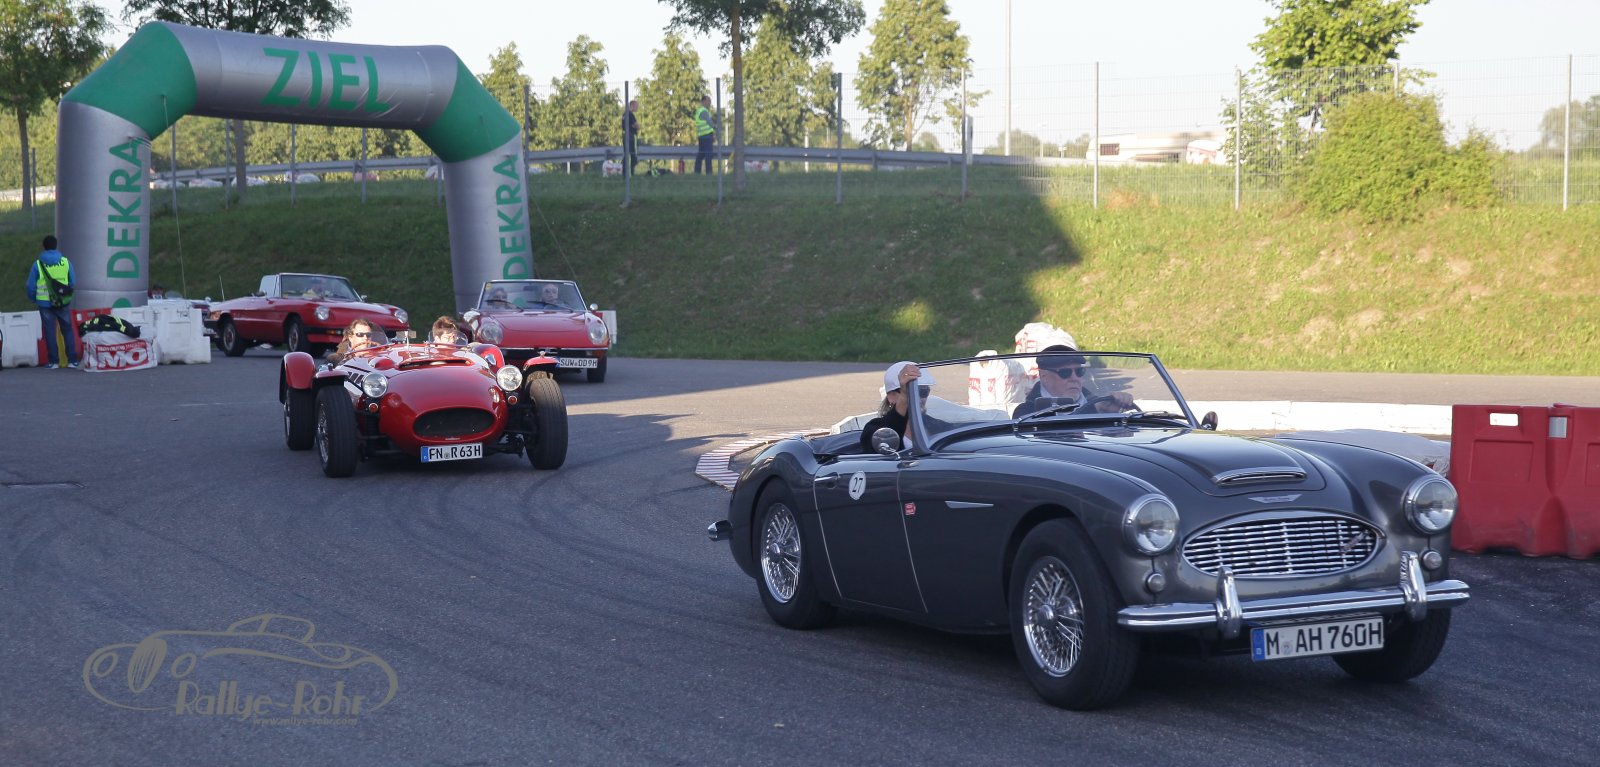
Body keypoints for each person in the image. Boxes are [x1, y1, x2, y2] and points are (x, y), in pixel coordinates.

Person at [1012, 345, 1133, 418]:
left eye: (1079, 371)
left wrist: (1115, 412)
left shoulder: (1099, 404)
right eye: (1065, 373)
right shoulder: (1026, 413)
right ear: (1044, 377)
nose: (1075, 378)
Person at [859, 361, 953, 453]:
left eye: (923, 391)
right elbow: (888, 433)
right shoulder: (875, 429)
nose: (918, 398)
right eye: (910, 392)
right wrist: (905, 395)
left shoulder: (937, 426)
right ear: (891, 396)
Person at [26, 235, 80, 369]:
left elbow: (30, 286)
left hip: (44, 303)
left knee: (49, 331)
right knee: (67, 330)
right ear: (56, 246)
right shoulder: (65, 262)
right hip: (62, 301)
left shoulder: (38, 264)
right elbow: (72, 281)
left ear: (44, 247)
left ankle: (53, 362)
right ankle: (73, 360)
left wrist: (34, 298)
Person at [693, 95, 716, 174]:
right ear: (703, 101)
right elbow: (710, 123)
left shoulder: (699, 111)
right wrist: (715, 128)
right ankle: (709, 172)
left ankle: (697, 172)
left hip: (701, 136)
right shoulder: (704, 111)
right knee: (708, 155)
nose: (710, 103)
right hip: (706, 136)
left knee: (701, 154)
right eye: (708, 101)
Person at [622, 99, 640, 175]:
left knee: (626, 154)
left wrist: (634, 125)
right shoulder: (630, 114)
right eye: (636, 106)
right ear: (632, 105)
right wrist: (636, 126)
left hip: (625, 135)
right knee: (632, 154)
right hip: (630, 136)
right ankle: (631, 172)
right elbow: (637, 126)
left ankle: (625, 173)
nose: (637, 108)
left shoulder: (624, 114)